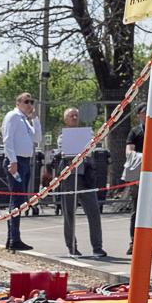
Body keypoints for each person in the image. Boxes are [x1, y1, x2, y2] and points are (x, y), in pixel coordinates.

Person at [57, 107, 106, 260]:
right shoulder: (62, 137)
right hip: (69, 178)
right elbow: (64, 151)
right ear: (65, 119)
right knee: (69, 213)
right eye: (71, 115)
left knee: (93, 212)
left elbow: (92, 148)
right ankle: (71, 246)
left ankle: (97, 247)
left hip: (86, 177)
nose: (74, 117)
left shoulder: (87, 134)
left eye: (76, 115)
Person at [1, 91, 42, 251]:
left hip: (25, 162)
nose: (30, 105)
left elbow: (37, 138)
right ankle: (14, 239)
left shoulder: (25, 120)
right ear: (18, 103)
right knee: (17, 200)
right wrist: (13, 161)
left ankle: (12, 238)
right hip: (16, 161)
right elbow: (8, 140)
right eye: (26, 101)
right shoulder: (13, 116)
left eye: (31, 102)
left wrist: (35, 119)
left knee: (20, 200)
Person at [125, 112, 152, 254]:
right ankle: (134, 242)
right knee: (136, 208)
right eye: (144, 113)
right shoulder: (135, 131)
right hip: (137, 174)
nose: (147, 116)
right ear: (139, 115)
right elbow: (129, 151)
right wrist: (142, 161)